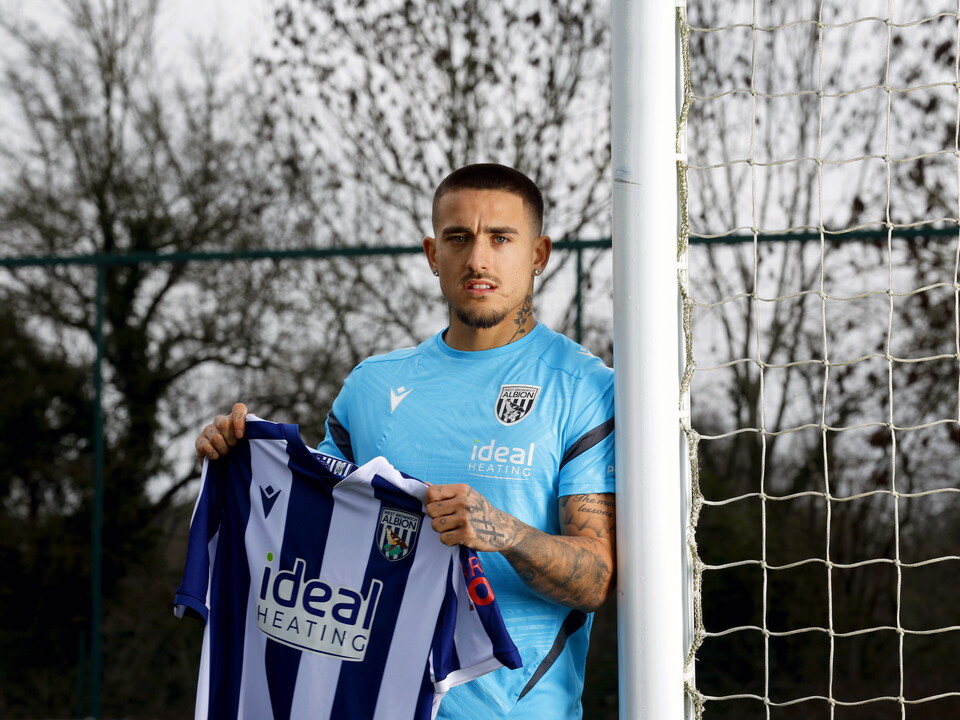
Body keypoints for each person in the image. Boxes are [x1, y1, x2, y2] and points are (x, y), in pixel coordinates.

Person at [194, 163, 616, 719]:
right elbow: (315, 535)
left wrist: (504, 532)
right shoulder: (372, 386)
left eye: (500, 238)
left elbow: (597, 579)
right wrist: (239, 456)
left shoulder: (584, 389)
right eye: (458, 238)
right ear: (432, 253)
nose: (478, 259)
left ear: (539, 254)